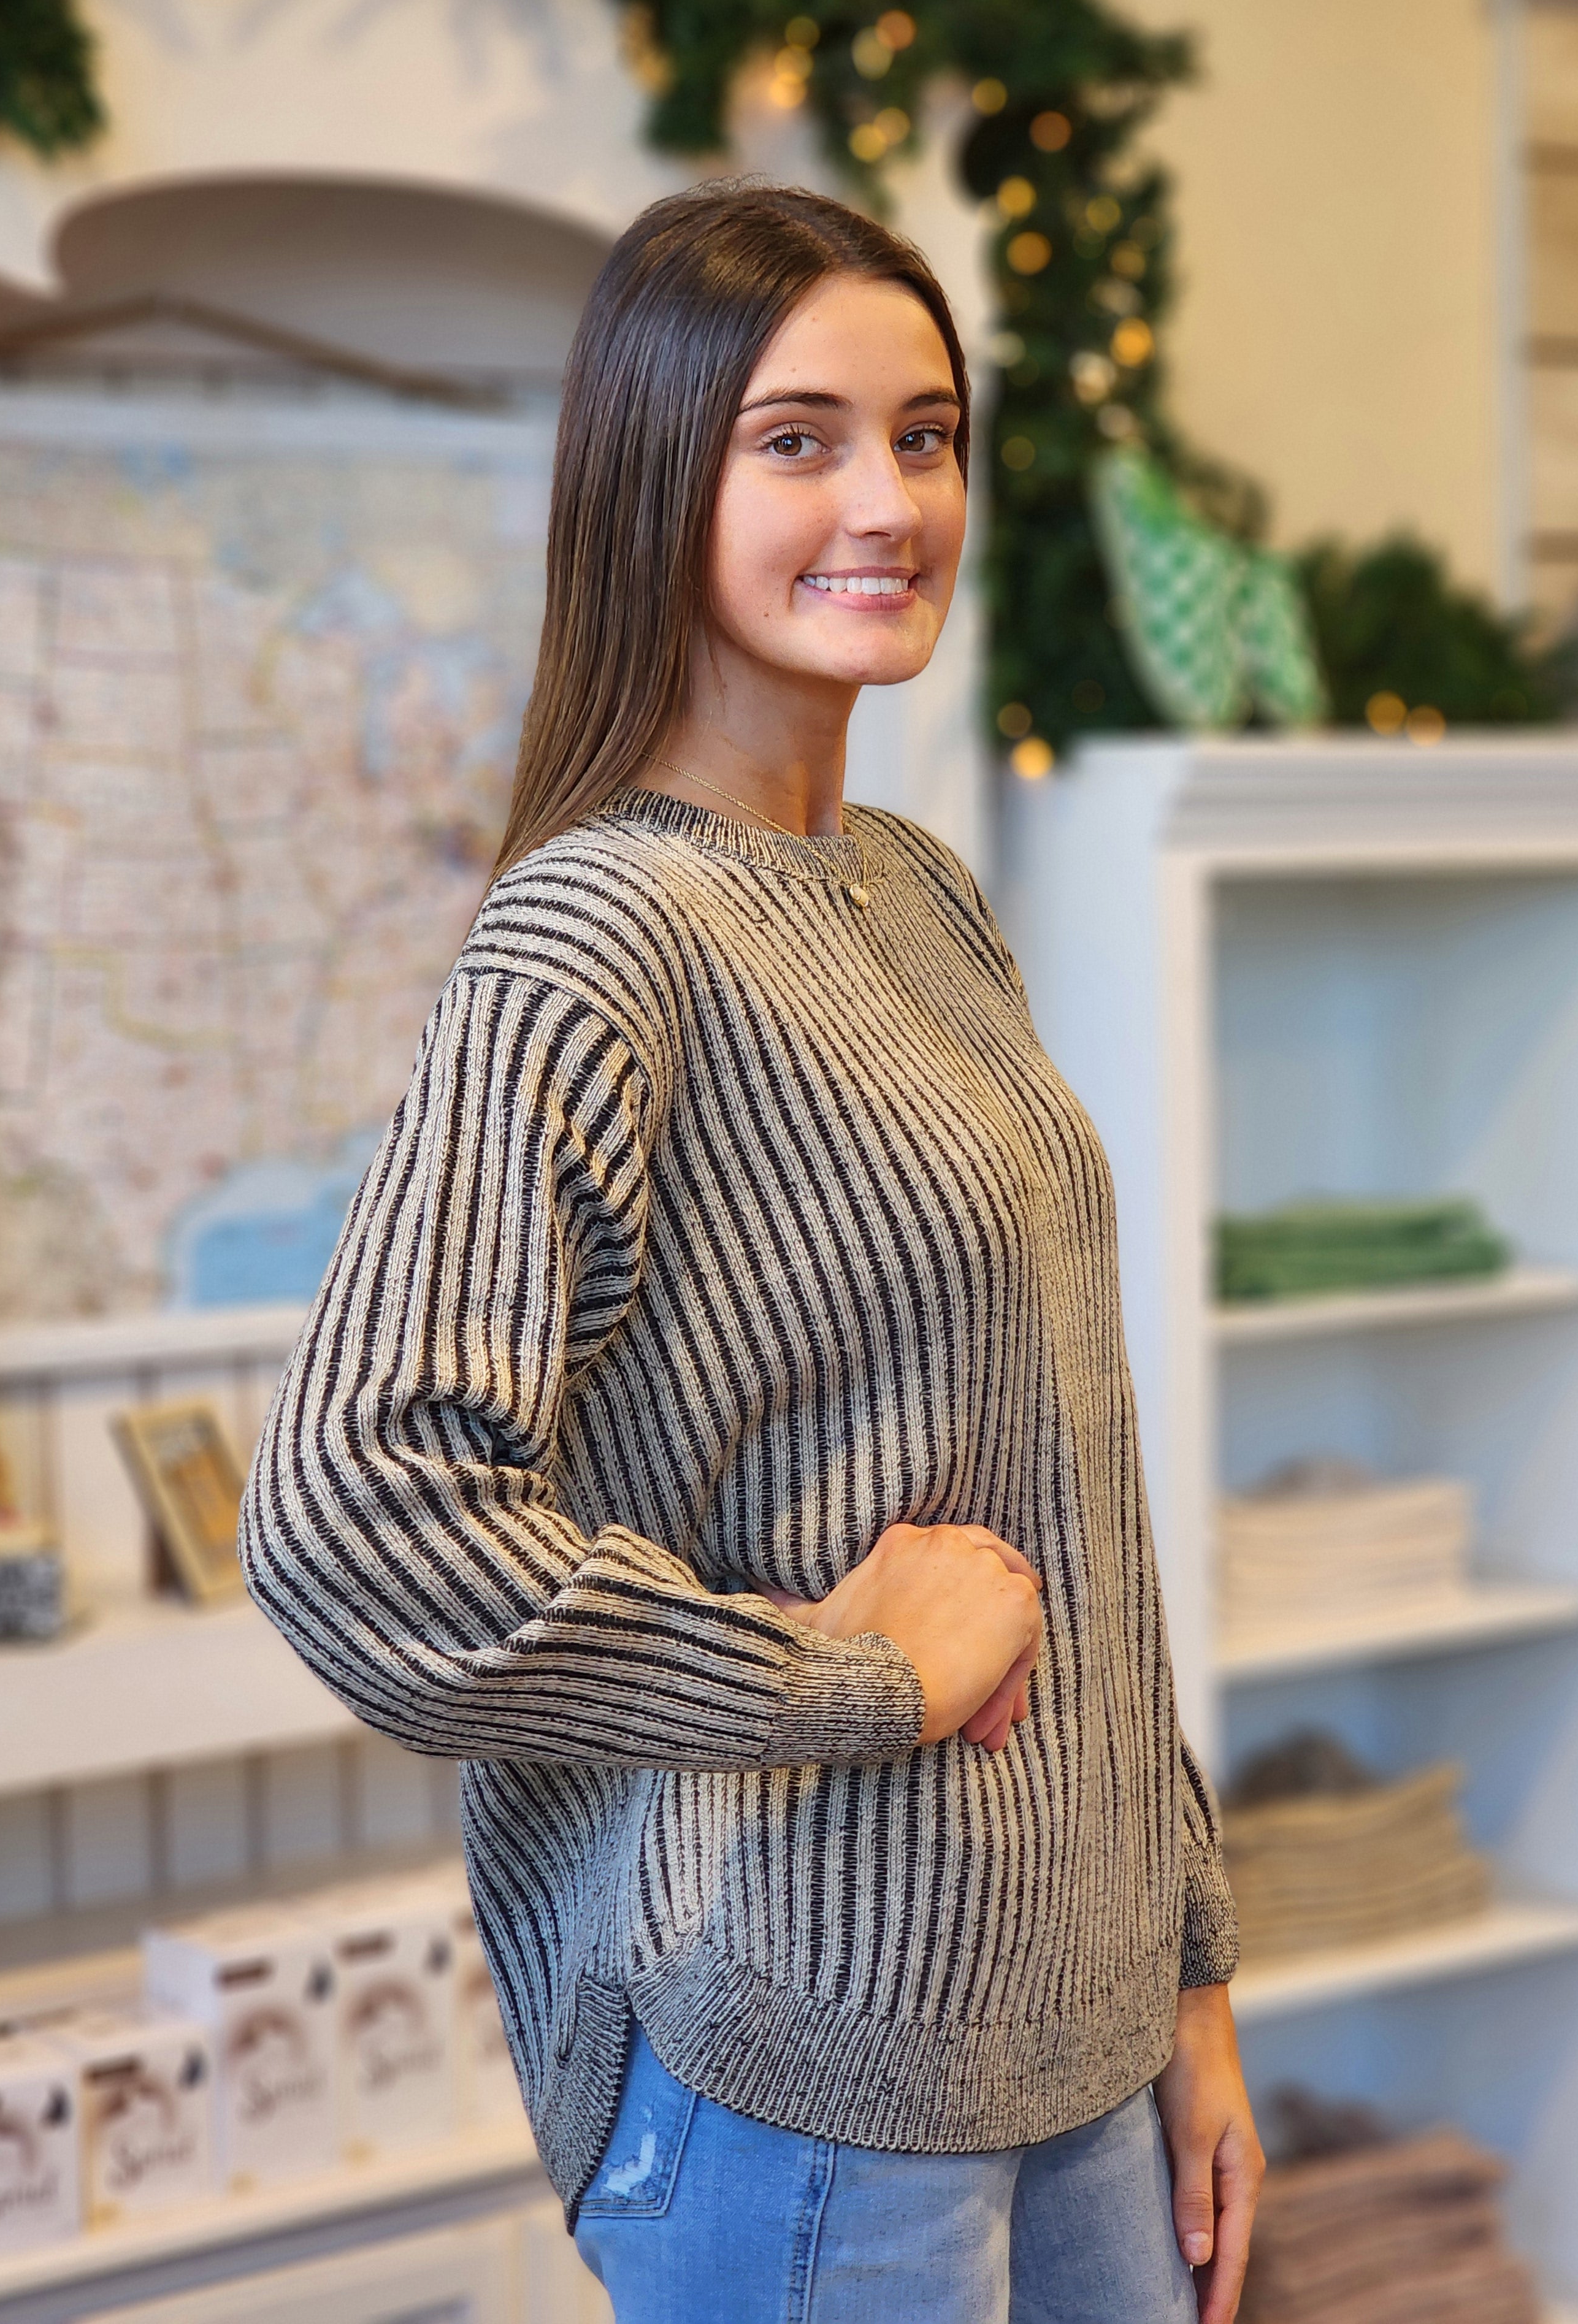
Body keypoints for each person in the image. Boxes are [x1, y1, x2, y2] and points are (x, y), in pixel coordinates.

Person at [243, 178, 1263, 2323]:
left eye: (925, 435)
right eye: (797, 440)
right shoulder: (599, 934)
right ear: (657, 481)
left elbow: (1072, 1473)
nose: (887, 500)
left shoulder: (918, 890)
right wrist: (837, 1677)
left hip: (1079, 2032)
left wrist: (1192, 1968)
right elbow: (355, 1520)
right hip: (803, 2076)